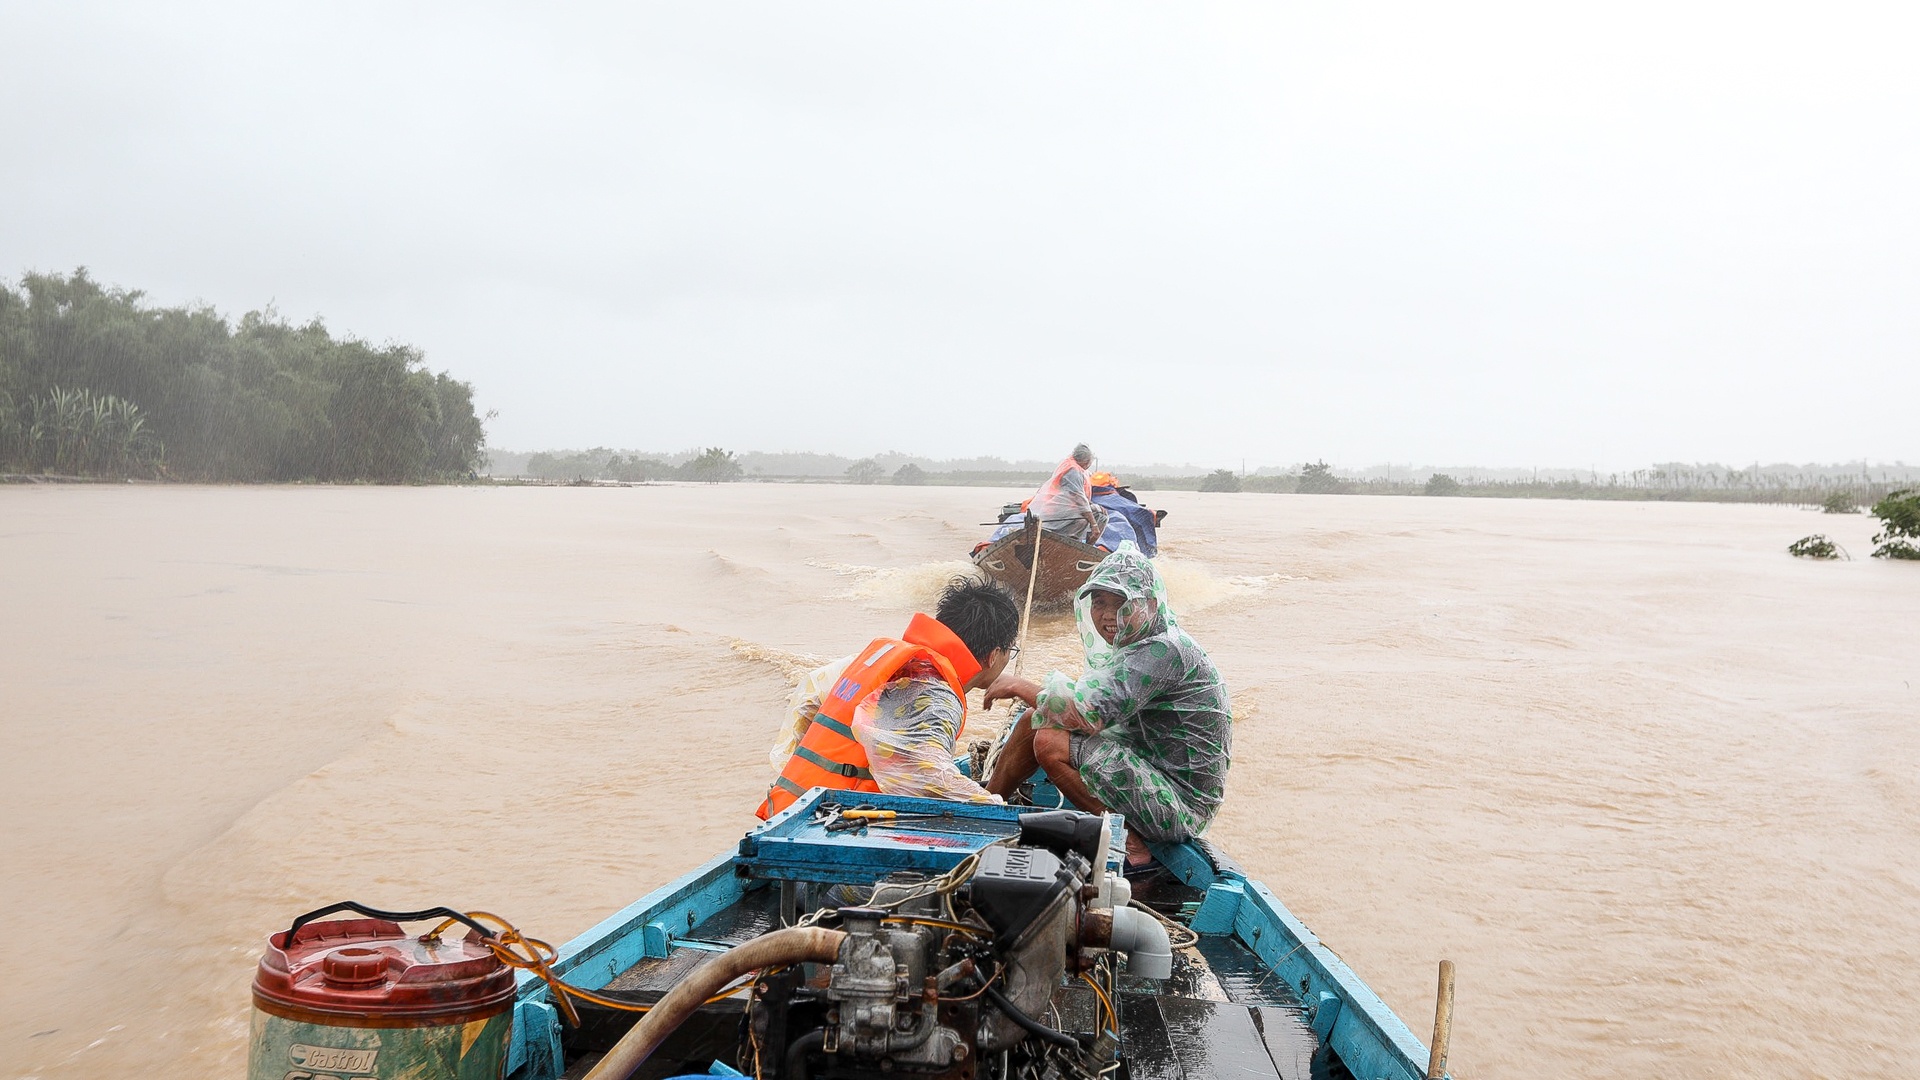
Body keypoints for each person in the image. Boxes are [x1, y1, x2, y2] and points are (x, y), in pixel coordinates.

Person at [984, 543, 1231, 867]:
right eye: (1099, 603)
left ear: (1150, 605)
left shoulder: (1161, 650)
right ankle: (986, 805)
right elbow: (1092, 704)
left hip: (1179, 806)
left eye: (1121, 604)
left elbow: (1088, 714)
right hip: (1152, 775)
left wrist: (1019, 685)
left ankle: (1127, 839)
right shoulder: (1142, 642)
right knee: (1034, 719)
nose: (1108, 615)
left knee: (1050, 741)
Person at [758, 576, 1021, 818]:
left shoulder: (875, 662)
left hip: (790, 809)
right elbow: (931, 779)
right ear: (994, 655)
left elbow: (808, 704)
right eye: (1011, 651)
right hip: (839, 820)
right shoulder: (937, 696)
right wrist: (998, 811)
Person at [1029, 444, 1101, 542]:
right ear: (1086, 461)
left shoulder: (1071, 465)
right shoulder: (1074, 472)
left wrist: (1093, 505)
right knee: (1084, 520)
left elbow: (1079, 497)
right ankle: (1069, 544)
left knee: (1095, 513)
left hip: (1062, 508)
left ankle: (1074, 543)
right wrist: (1094, 524)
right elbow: (1079, 499)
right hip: (1056, 511)